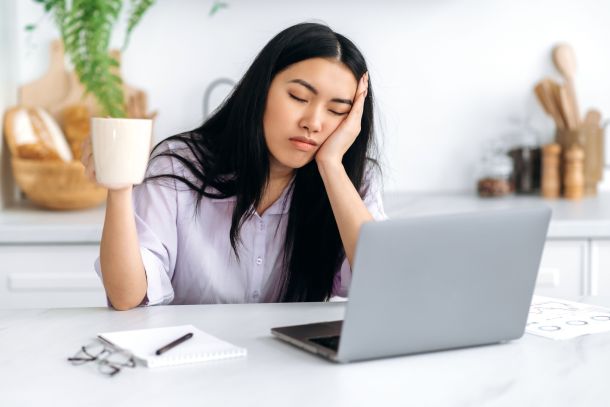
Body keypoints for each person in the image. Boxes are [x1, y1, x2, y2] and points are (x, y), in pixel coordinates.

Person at [81, 22, 387, 310]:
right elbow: (127, 298)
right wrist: (119, 188)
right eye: (298, 97)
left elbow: (381, 282)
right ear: (261, 89)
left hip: (293, 363)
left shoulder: (353, 182)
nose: (314, 123)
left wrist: (331, 165)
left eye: (336, 110)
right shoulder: (180, 166)